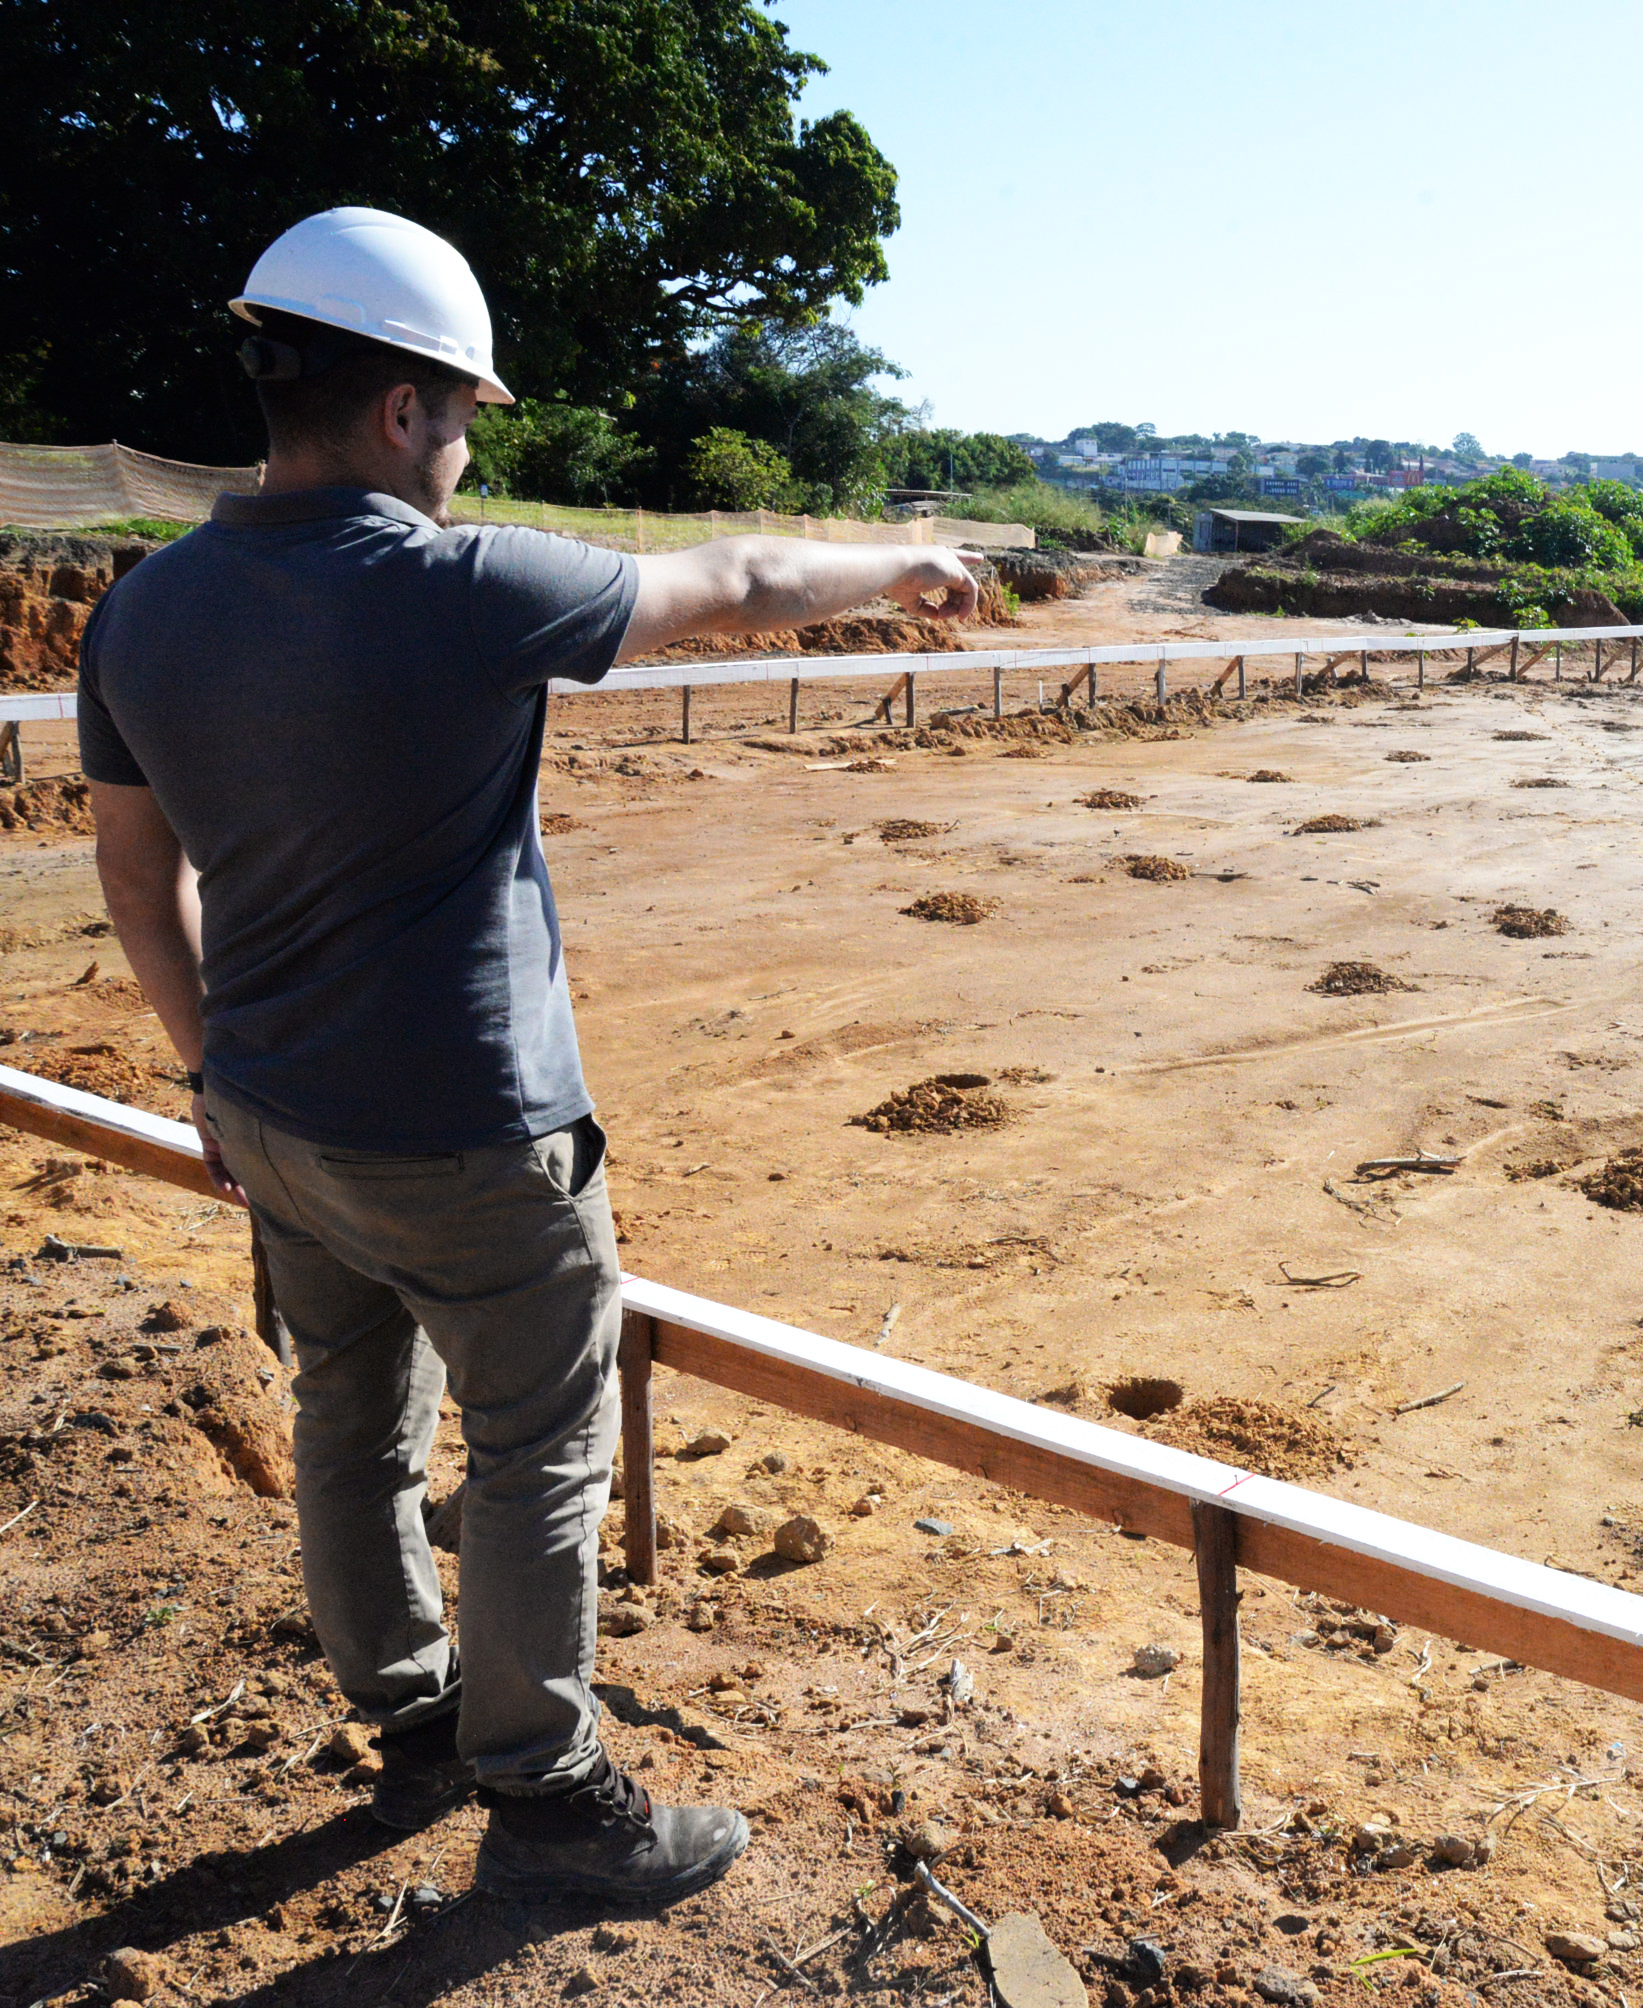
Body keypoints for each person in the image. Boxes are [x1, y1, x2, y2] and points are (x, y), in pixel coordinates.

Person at [78, 207, 976, 1903]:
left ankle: (409, 1711)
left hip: (268, 1108)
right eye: (469, 413)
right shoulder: (457, 589)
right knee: (537, 1448)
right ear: (407, 407)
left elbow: (138, 878)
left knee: (347, 1413)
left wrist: (208, 1076)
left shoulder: (141, 612)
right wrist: (912, 561)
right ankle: (550, 1797)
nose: (470, 447)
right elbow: (749, 581)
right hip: (473, 1139)